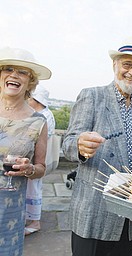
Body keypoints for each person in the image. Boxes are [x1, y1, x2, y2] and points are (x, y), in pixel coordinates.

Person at [62, 37, 132, 256]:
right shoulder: (92, 96)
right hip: (94, 211)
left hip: (129, 213)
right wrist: (80, 145)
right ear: (114, 65)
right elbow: (68, 143)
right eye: (127, 64)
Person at [0, 47, 51, 255]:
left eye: (22, 72)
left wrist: (29, 169)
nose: (14, 75)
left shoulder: (38, 121)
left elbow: (41, 168)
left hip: (10, 207)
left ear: (30, 81)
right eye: (8, 69)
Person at [25, 85, 56, 235]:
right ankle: (29, 217)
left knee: (34, 189)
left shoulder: (44, 116)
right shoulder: (41, 113)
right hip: (30, 157)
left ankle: (35, 221)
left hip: (36, 158)